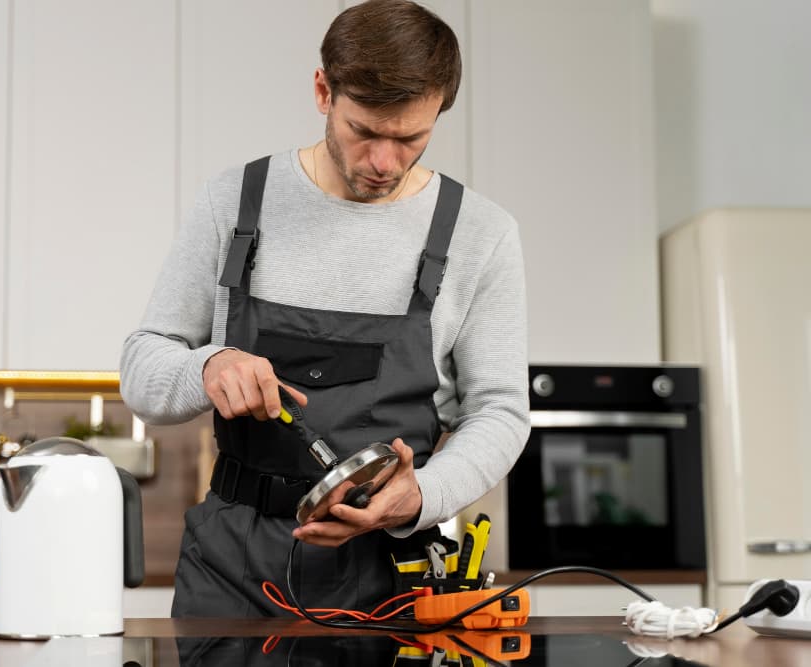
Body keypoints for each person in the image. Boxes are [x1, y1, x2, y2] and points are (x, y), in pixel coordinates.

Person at [120, 0, 529, 617]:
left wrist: (424, 495)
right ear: (323, 91)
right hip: (231, 571)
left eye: (410, 138)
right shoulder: (235, 202)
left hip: (395, 577)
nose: (384, 163)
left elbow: (500, 411)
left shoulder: (481, 233)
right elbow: (142, 368)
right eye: (364, 131)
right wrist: (209, 366)